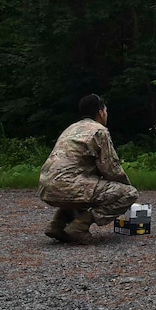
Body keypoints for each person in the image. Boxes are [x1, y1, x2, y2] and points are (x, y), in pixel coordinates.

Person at [37, 94, 139, 244]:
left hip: (46, 187)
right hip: (69, 186)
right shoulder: (99, 131)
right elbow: (110, 169)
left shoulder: (71, 128)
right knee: (128, 193)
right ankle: (79, 227)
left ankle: (57, 224)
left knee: (86, 187)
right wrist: (125, 186)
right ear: (101, 112)